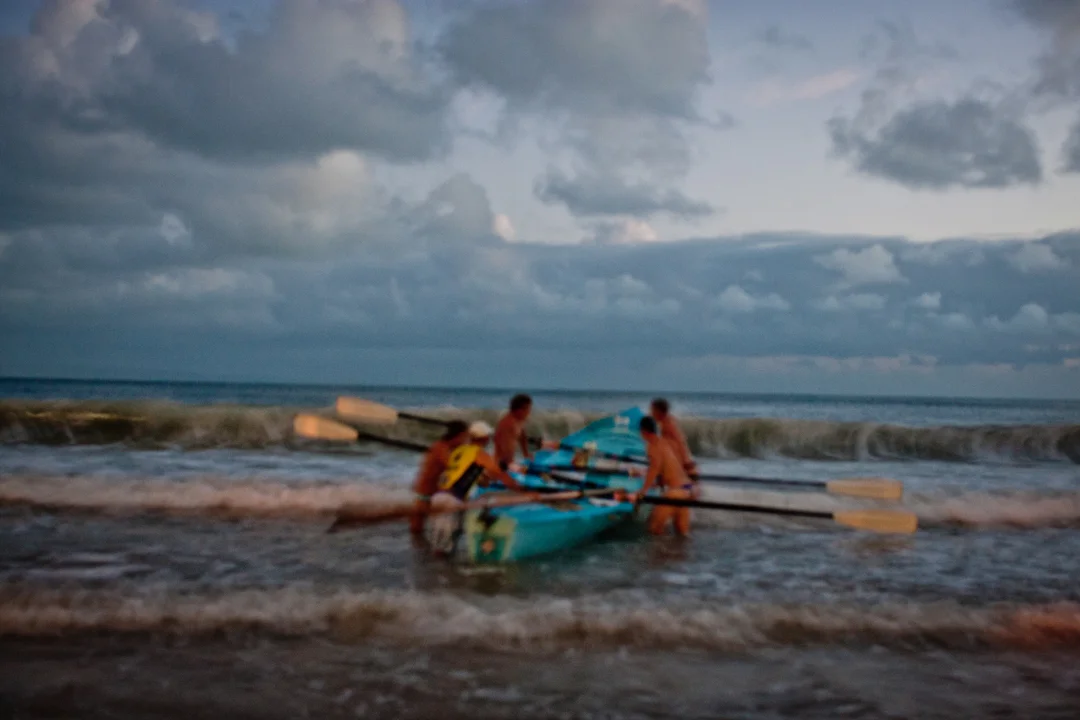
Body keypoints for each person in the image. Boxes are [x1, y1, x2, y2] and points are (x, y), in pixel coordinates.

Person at [427, 420, 530, 555]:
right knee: (444, 551)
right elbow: (502, 476)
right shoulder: (480, 454)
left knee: (438, 548)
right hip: (451, 502)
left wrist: (482, 481)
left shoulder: (460, 450)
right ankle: (444, 574)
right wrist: (523, 490)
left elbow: (461, 473)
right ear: (485, 438)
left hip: (437, 499)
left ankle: (437, 575)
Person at [629, 416, 693, 537]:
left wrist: (642, 491)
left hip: (674, 493)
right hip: (686, 489)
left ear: (643, 431)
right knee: (682, 536)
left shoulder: (652, 446)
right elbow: (671, 468)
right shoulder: (665, 443)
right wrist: (658, 483)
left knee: (654, 530)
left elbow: (654, 469)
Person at [410, 420, 470, 536]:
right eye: (465, 437)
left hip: (431, 490)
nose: (466, 441)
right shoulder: (441, 448)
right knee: (417, 528)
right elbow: (452, 466)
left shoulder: (445, 447)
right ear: (459, 435)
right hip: (426, 491)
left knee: (420, 529)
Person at [650, 398, 699, 490]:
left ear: (659, 412)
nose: (651, 413)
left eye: (653, 411)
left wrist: (686, 461)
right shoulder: (665, 421)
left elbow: (680, 440)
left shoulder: (668, 423)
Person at [494, 393, 545, 470]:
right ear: (519, 410)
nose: (529, 412)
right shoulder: (507, 424)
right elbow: (503, 446)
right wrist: (510, 466)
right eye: (528, 409)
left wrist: (526, 454)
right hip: (501, 464)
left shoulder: (519, 421)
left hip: (510, 462)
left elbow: (522, 436)